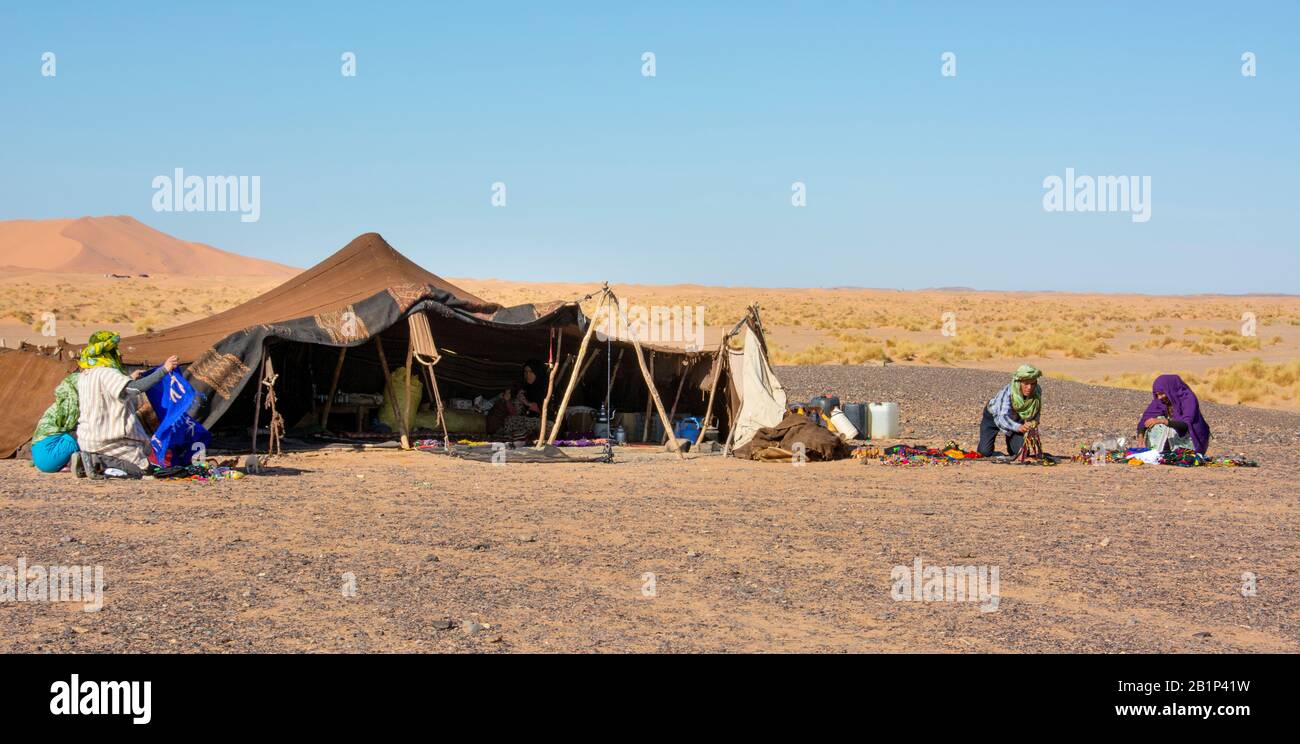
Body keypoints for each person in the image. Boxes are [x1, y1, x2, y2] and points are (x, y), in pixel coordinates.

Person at [73, 331, 179, 477]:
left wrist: (128, 378)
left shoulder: (85, 375)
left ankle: (89, 461)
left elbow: (110, 394)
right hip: (107, 442)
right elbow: (135, 389)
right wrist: (164, 370)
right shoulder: (106, 373)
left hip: (87, 439)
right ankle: (98, 461)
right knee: (142, 471)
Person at [978, 364, 1042, 457]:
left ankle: (1012, 445)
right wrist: (1019, 427)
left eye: (1032, 383)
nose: (1029, 387)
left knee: (1021, 452)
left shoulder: (1037, 391)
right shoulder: (1008, 392)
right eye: (1026, 384)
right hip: (994, 417)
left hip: (1017, 419)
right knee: (984, 452)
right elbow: (1002, 417)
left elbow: (1036, 409)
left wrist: (1033, 422)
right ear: (1018, 382)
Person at [1138, 374, 1211, 454]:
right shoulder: (1161, 401)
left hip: (1194, 438)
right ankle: (1157, 451)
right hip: (1173, 438)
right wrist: (1141, 437)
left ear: (1169, 390)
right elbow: (1145, 418)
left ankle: (1182, 452)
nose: (1159, 397)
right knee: (1153, 422)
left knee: (1162, 422)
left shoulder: (1188, 399)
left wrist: (1162, 421)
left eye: (1162, 393)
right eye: (1157, 394)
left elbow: (1186, 425)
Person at [30, 372, 81, 473]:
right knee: (87, 432)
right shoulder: (70, 406)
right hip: (50, 456)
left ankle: (66, 461)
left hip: (40, 456)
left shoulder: (57, 406)